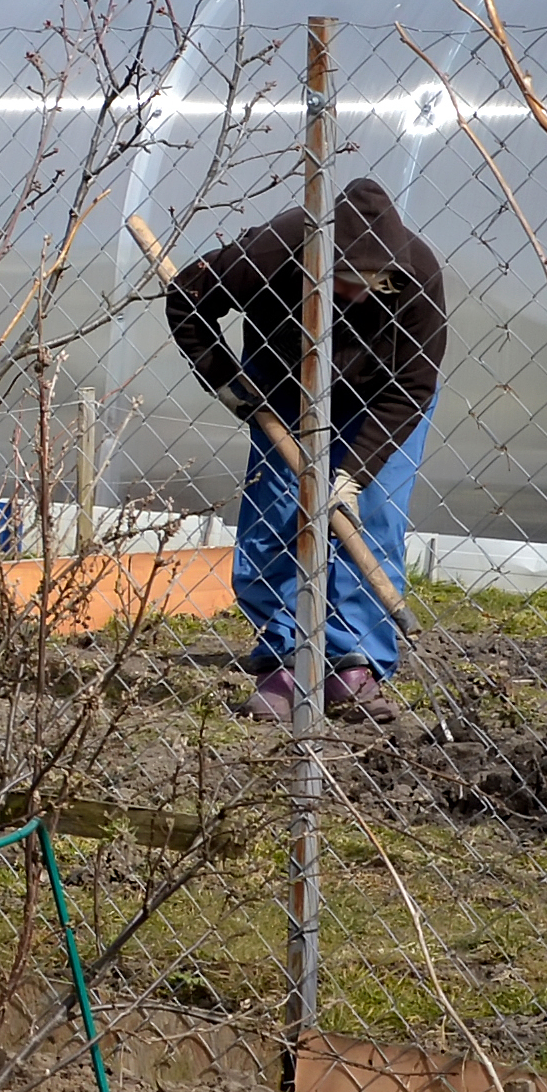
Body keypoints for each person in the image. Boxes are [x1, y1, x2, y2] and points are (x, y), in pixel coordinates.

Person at [160, 178, 444, 724]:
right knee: (275, 513)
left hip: (382, 397)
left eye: (369, 285)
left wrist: (355, 474)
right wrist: (229, 383)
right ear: (317, 256)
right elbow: (187, 297)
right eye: (340, 280)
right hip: (284, 385)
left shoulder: (419, 276)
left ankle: (354, 661)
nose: (353, 294)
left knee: (372, 517)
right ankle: (283, 656)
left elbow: (413, 385)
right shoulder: (274, 247)